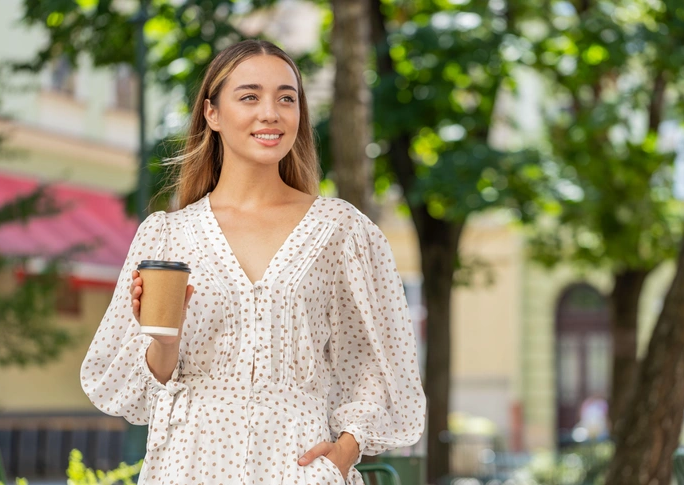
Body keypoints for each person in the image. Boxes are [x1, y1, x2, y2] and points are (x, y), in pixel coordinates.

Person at [80, 39, 426, 485]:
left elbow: (380, 365)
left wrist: (345, 449)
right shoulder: (167, 236)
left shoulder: (343, 231)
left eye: (287, 98)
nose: (271, 113)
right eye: (249, 97)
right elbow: (132, 388)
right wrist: (164, 342)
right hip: (188, 465)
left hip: (299, 468)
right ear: (212, 113)